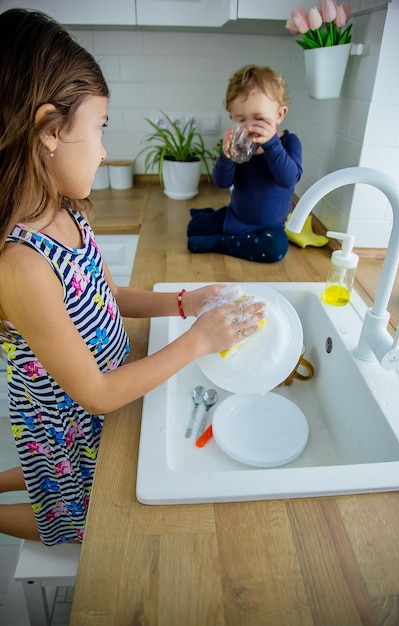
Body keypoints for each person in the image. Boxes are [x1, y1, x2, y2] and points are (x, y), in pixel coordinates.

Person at [0, 9, 265, 546]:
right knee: (76, 520)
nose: (103, 149)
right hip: (70, 422)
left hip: (113, 393)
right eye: (98, 129)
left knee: (58, 488)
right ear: (49, 132)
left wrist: (187, 302)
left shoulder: (66, 210)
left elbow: (111, 297)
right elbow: (95, 393)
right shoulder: (22, 265)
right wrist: (196, 343)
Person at [187, 65, 303, 263]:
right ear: (232, 117)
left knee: (275, 249)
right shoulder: (237, 144)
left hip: (268, 228)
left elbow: (289, 179)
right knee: (193, 229)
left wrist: (271, 144)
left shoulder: (289, 142)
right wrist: (226, 157)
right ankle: (218, 224)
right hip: (234, 218)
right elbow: (221, 182)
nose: (250, 127)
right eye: (241, 120)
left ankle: (220, 243)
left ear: (279, 115)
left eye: (259, 119)